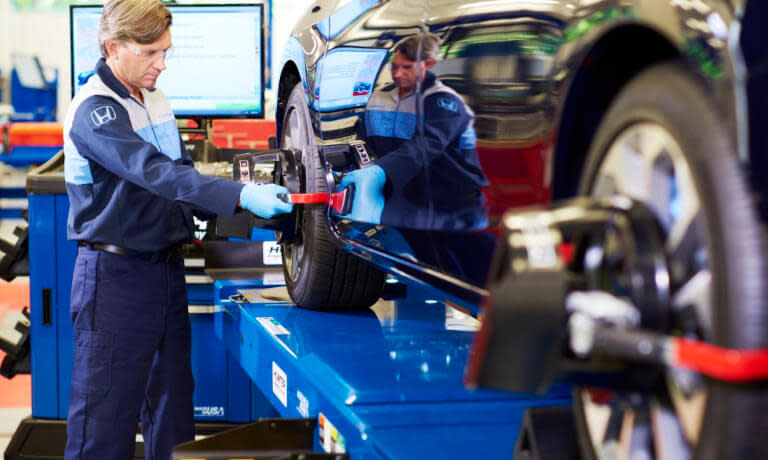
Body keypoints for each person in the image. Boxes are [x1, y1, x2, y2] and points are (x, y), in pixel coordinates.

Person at [62, 1, 292, 459]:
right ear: (113, 47)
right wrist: (239, 195)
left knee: (173, 414)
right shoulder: (95, 111)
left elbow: (180, 172)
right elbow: (154, 173)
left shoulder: (155, 99)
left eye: (165, 52)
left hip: (165, 273)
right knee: (103, 424)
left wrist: (212, 213)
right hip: (115, 277)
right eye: (150, 53)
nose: (161, 64)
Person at [343, 32, 489, 230]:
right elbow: (364, 143)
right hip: (398, 200)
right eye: (394, 66)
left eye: (407, 68)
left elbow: (428, 146)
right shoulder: (378, 98)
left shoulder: (444, 102)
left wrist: (379, 172)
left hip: (449, 208)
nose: (397, 74)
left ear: (428, 65)